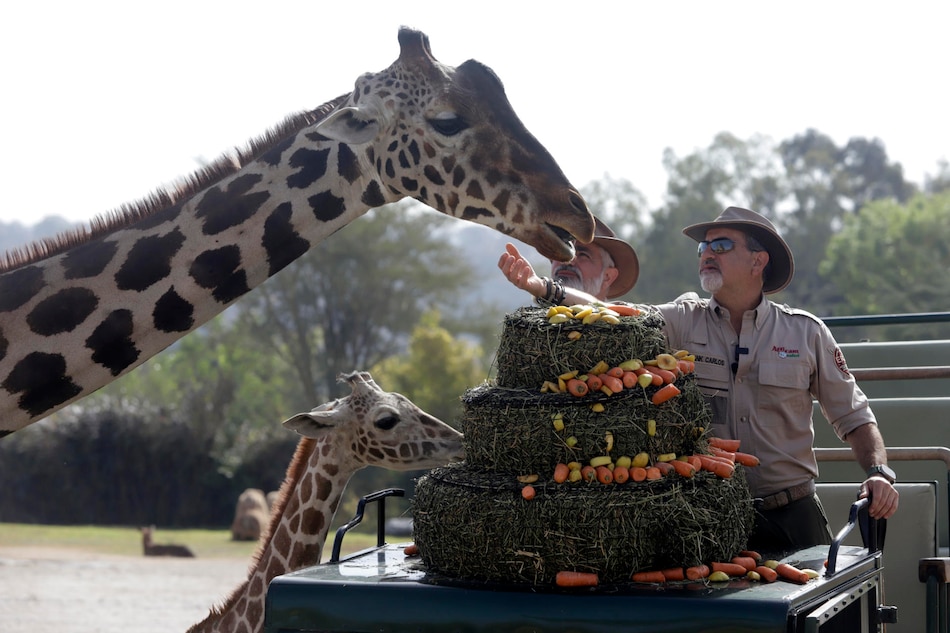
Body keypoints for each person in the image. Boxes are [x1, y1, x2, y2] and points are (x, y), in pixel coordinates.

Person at [498, 206, 899, 553]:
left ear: (759, 261)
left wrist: (878, 474)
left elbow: (854, 417)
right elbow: (614, 314)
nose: (707, 253)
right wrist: (541, 287)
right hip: (709, 512)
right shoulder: (681, 320)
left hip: (794, 514)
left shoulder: (805, 333)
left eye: (721, 246)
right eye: (703, 247)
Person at [498, 217, 639, 304]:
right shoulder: (534, 330)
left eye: (583, 255)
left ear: (608, 277)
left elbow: (602, 310)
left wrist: (544, 288)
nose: (568, 261)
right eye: (562, 252)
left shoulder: (632, 322)